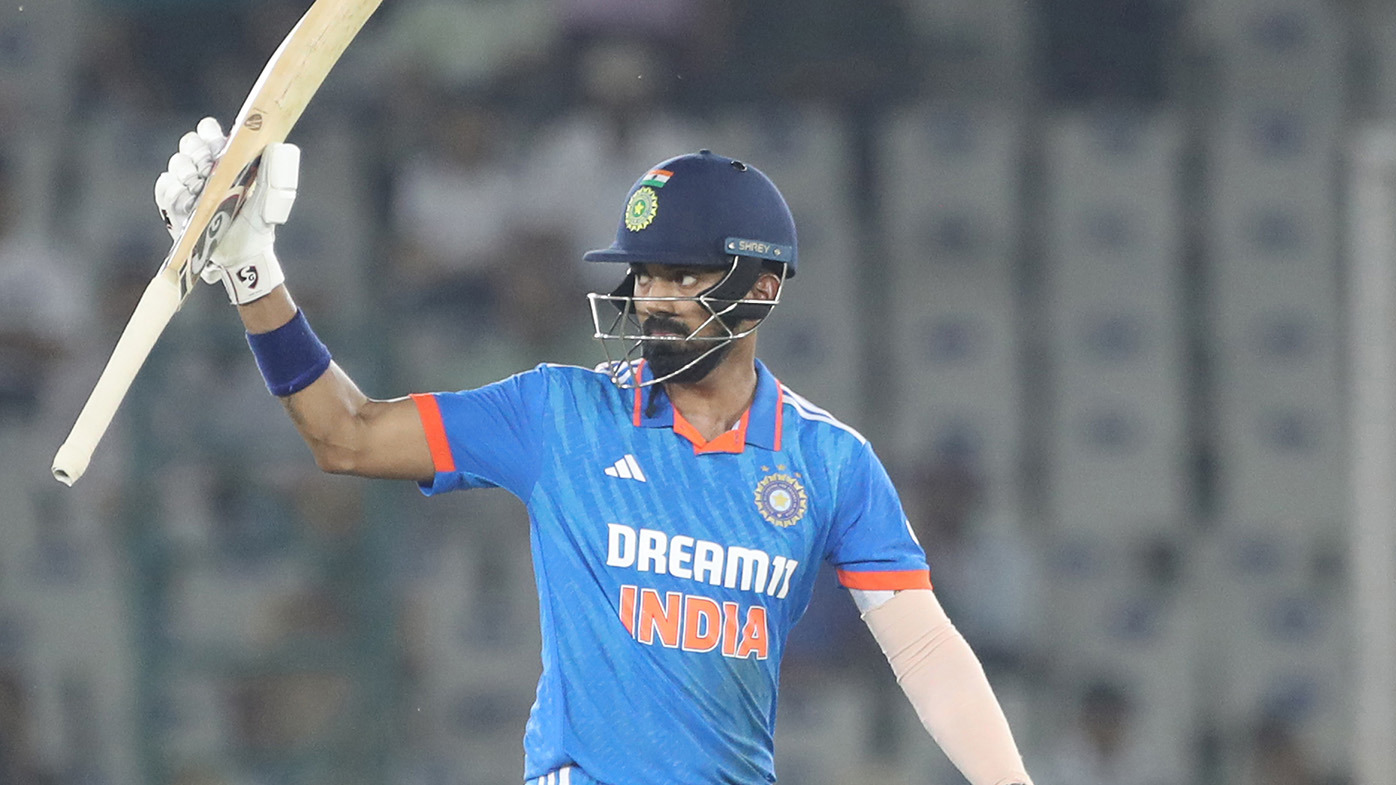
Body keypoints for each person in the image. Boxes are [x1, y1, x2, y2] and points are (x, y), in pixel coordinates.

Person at [153, 117, 1035, 785]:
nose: (652, 298)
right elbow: (344, 434)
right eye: (643, 275)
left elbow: (924, 652)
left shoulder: (829, 462)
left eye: (682, 277)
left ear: (760, 290)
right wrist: (252, 273)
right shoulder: (557, 410)